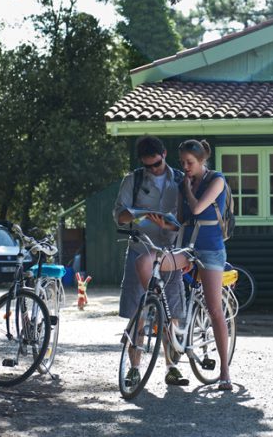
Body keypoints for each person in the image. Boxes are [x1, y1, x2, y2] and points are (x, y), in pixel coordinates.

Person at [136, 138, 232, 391]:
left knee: (214, 309)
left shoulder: (217, 180)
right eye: (182, 163)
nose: (185, 167)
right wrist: (162, 223)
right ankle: (157, 308)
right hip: (187, 248)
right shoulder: (183, 185)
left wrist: (187, 188)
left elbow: (199, 209)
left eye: (190, 162)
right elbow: (181, 220)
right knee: (147, 261)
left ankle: (224, 372)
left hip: (211, 250)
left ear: (202, 161)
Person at [113, 135, 189, 387]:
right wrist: (139, 213)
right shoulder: (132, 180)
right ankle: (135, 367)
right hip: (140, 250)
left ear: (164, 154)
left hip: (170, 251)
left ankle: (172, 367)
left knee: (172, 312)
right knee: (138, 313)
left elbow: (189, 217)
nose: (152, 170)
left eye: (156, 164)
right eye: (147, 166)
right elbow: (119, 216)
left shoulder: (180, 180)